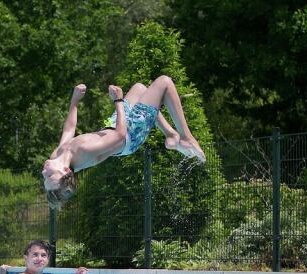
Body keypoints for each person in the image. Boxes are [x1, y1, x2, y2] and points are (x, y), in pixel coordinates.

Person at [42, 76, 206, 209]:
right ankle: (186, 137)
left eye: (45, 177)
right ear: (65, 171)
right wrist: (118, 101)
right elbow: (120, 135)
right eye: (49, 175)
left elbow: (69, 130)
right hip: (130, 133)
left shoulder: (57, 155)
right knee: (164, 82)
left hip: (114, 125)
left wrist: (74, 101)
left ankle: (171, 135)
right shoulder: (85, 150)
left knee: (140, 89)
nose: (44, 172)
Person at [12, 240, 87, 274]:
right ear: (26, 258)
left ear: (47, 260)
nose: (39, 259)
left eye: (43, 255)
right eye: (35, 255)